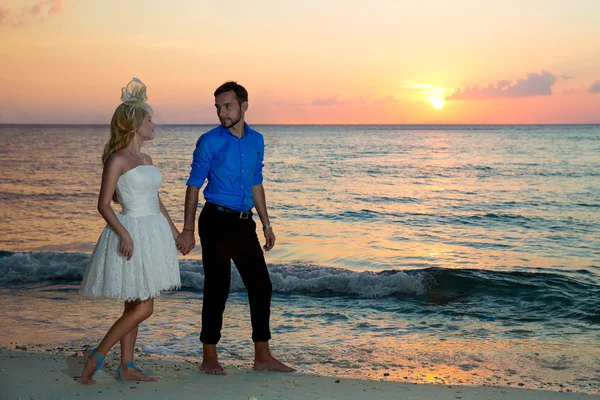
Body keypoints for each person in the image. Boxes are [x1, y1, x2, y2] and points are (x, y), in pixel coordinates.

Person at [176, 81, 294, 375]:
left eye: (227, 106)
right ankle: (209, 357)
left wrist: (267, 224)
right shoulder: (209, 141)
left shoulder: (257, 140)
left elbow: (256, 181)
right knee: (218, 288)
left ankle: (262, 357)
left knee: (261, 286)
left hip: (244, 222)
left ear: (244, 106)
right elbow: (193, 184)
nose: (221, 113)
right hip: (214, 220)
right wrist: (188, 229)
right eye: (218, 107)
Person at [79, 78, 181, 384]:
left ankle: (126, 366)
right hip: (133, 232)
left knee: (135, 302)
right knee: (144, 306)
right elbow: (103, 204)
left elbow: (156, 199)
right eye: (149, 119)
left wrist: (174, 231)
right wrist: (124, 234)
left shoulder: (145, 159)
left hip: (154, 232)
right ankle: (97, 355)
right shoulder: (118, 159)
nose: (154, 125)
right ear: (135, 124)